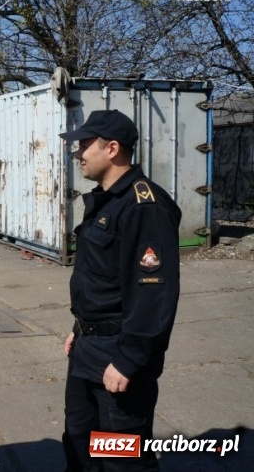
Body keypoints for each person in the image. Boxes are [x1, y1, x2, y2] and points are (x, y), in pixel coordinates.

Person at [59, 110, 182, 470]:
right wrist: (79, 326)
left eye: (84, 145)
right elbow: (103, 280)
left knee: (119, 456)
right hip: (88, 348)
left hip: (119, 355)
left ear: (112, 149)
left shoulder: (145, 207)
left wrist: (128, 360)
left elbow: (153, 296)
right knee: (80, 441)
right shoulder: (107, 199)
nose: (77, 154)